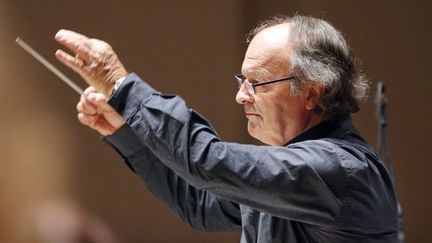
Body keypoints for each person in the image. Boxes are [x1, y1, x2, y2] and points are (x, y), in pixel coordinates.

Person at [55, 15, 399, 242]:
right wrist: (125, 132)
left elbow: (208, 163)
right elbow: (199, 202)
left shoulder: (338, 169)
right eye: (242, 80)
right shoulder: (292, 169)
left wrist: (122, 87)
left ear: (311, 92)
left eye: (257, 83)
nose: (240, 96)